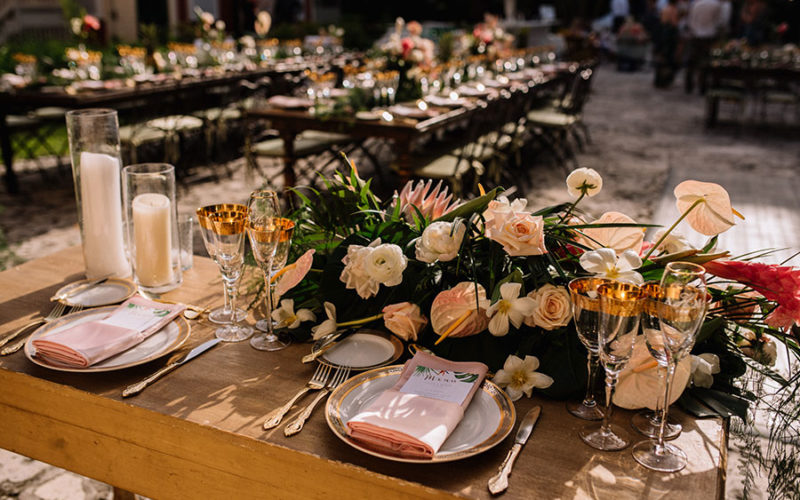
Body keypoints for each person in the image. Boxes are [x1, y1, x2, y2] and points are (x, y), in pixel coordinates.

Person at [684, 0, 726, 94]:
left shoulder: (696, 3)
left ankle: (688, 85)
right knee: (705, 62)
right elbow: (720, 21)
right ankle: (702, 86)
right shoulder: (716, 4)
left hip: (695, 35)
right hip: (709, 35)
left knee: (692, 61)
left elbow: (690, 20)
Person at [654, 0, 681, 87]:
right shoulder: (673, 10)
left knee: (661, 58)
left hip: (662, 33)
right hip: (669, 35)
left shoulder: (664, 9)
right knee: (668, 60)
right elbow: (674, 23)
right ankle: (664, 80)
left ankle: (659, 80)